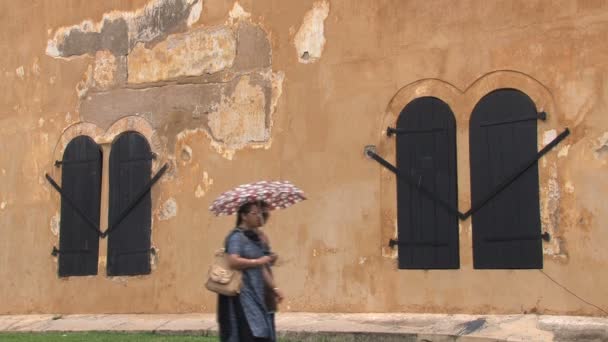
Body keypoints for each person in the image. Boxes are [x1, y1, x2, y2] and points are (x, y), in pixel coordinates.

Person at [217, 202, 276, 342]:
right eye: (254, 214)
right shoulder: (236, 237)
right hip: (241, 295)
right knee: (247, 333)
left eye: (260, 213)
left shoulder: (256, 237)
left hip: (256, 293)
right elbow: (233, 260)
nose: (258, 217)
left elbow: (262, 266)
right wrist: (257, 261)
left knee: (261, 332)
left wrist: (274, 289)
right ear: (243, 216)